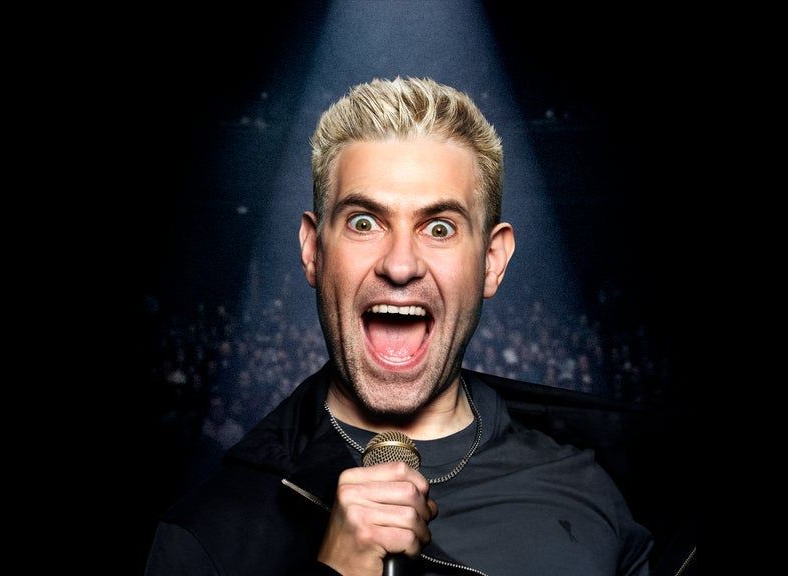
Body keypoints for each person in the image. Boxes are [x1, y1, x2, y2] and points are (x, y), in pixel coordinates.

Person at [145, 77, 654, 576]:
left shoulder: (590, 496)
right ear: (314, 250)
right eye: (364, 222)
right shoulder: (206, 540)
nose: (401, 264)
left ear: (492, 262)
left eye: (440, 227)